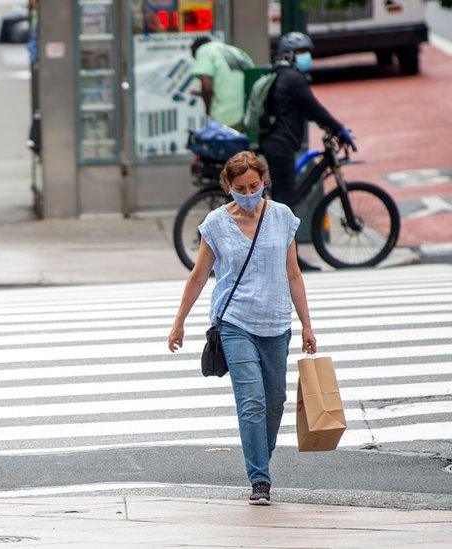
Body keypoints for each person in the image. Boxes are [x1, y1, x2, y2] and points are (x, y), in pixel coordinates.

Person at [167, 151, 317, 506]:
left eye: (255, 185)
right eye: (240, 188)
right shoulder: (216, 224)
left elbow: (294, 274)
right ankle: (260, 480)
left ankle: (258, 459)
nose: (249, 193)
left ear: (263, 181)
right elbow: (199, 275)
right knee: (251, 402)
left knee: (275, 402)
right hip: (234, 322)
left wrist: (307, 326)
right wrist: (179, 322)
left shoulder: (282, 217)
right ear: (227, 186)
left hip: (276, 322)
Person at [259, 32, 356, 207]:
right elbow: (316, 109)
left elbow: (308, 111)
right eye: (300, 51)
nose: (306, 56)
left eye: (306, 51)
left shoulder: (282, 74)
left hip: (276, 142)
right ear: (288, 54)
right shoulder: (293, 78)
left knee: (283, 200)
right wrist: (340, 129)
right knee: (284, 205)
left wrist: (328, 127)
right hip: (280, 145)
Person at [191, 36, 255, 129]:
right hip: (249, 116)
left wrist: (208, 111)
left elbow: (207, 87)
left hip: (226, 118)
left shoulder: (204, 50)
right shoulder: (237, 51)